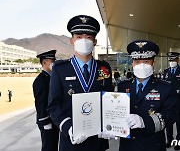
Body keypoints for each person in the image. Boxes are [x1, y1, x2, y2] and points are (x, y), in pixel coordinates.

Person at [47, 15, 113, 151]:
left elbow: (109, 100)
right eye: (79, 37)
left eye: (88, 37)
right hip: (71, 141)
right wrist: (68, 127)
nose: (84, 40)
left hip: (98, 141)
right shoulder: (60, 69)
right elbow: (53, 106)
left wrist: (110, 123)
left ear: (95, 41)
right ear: (72, 41)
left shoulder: (104, 68)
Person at [117, 40, 177, 151]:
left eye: (146, 61)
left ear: (153, 63)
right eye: (137, 62)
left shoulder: (165, 88)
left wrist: (145, 122)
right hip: (127, 146)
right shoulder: (122, 86)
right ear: (132, 63)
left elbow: (171, 115)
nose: (142, 66)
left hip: (152, 145)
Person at [33, 50, 59, 151]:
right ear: (44, 62)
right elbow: (40, 103)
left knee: (54, 145)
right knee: (48, 147)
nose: (54, 63)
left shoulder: (51, 77)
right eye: (51, 61)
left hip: (54, 119)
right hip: (47, 121)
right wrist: (45, 121)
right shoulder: (41, 80)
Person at [163, 52, 180, 150]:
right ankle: (169, 140)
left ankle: (178, 141)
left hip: (178, 100)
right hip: (168, 102)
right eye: (170, 60)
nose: (171, 62)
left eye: (173, 60)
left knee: (179, 122)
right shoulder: (166, 72)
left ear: (178, 60)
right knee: (168, 121)